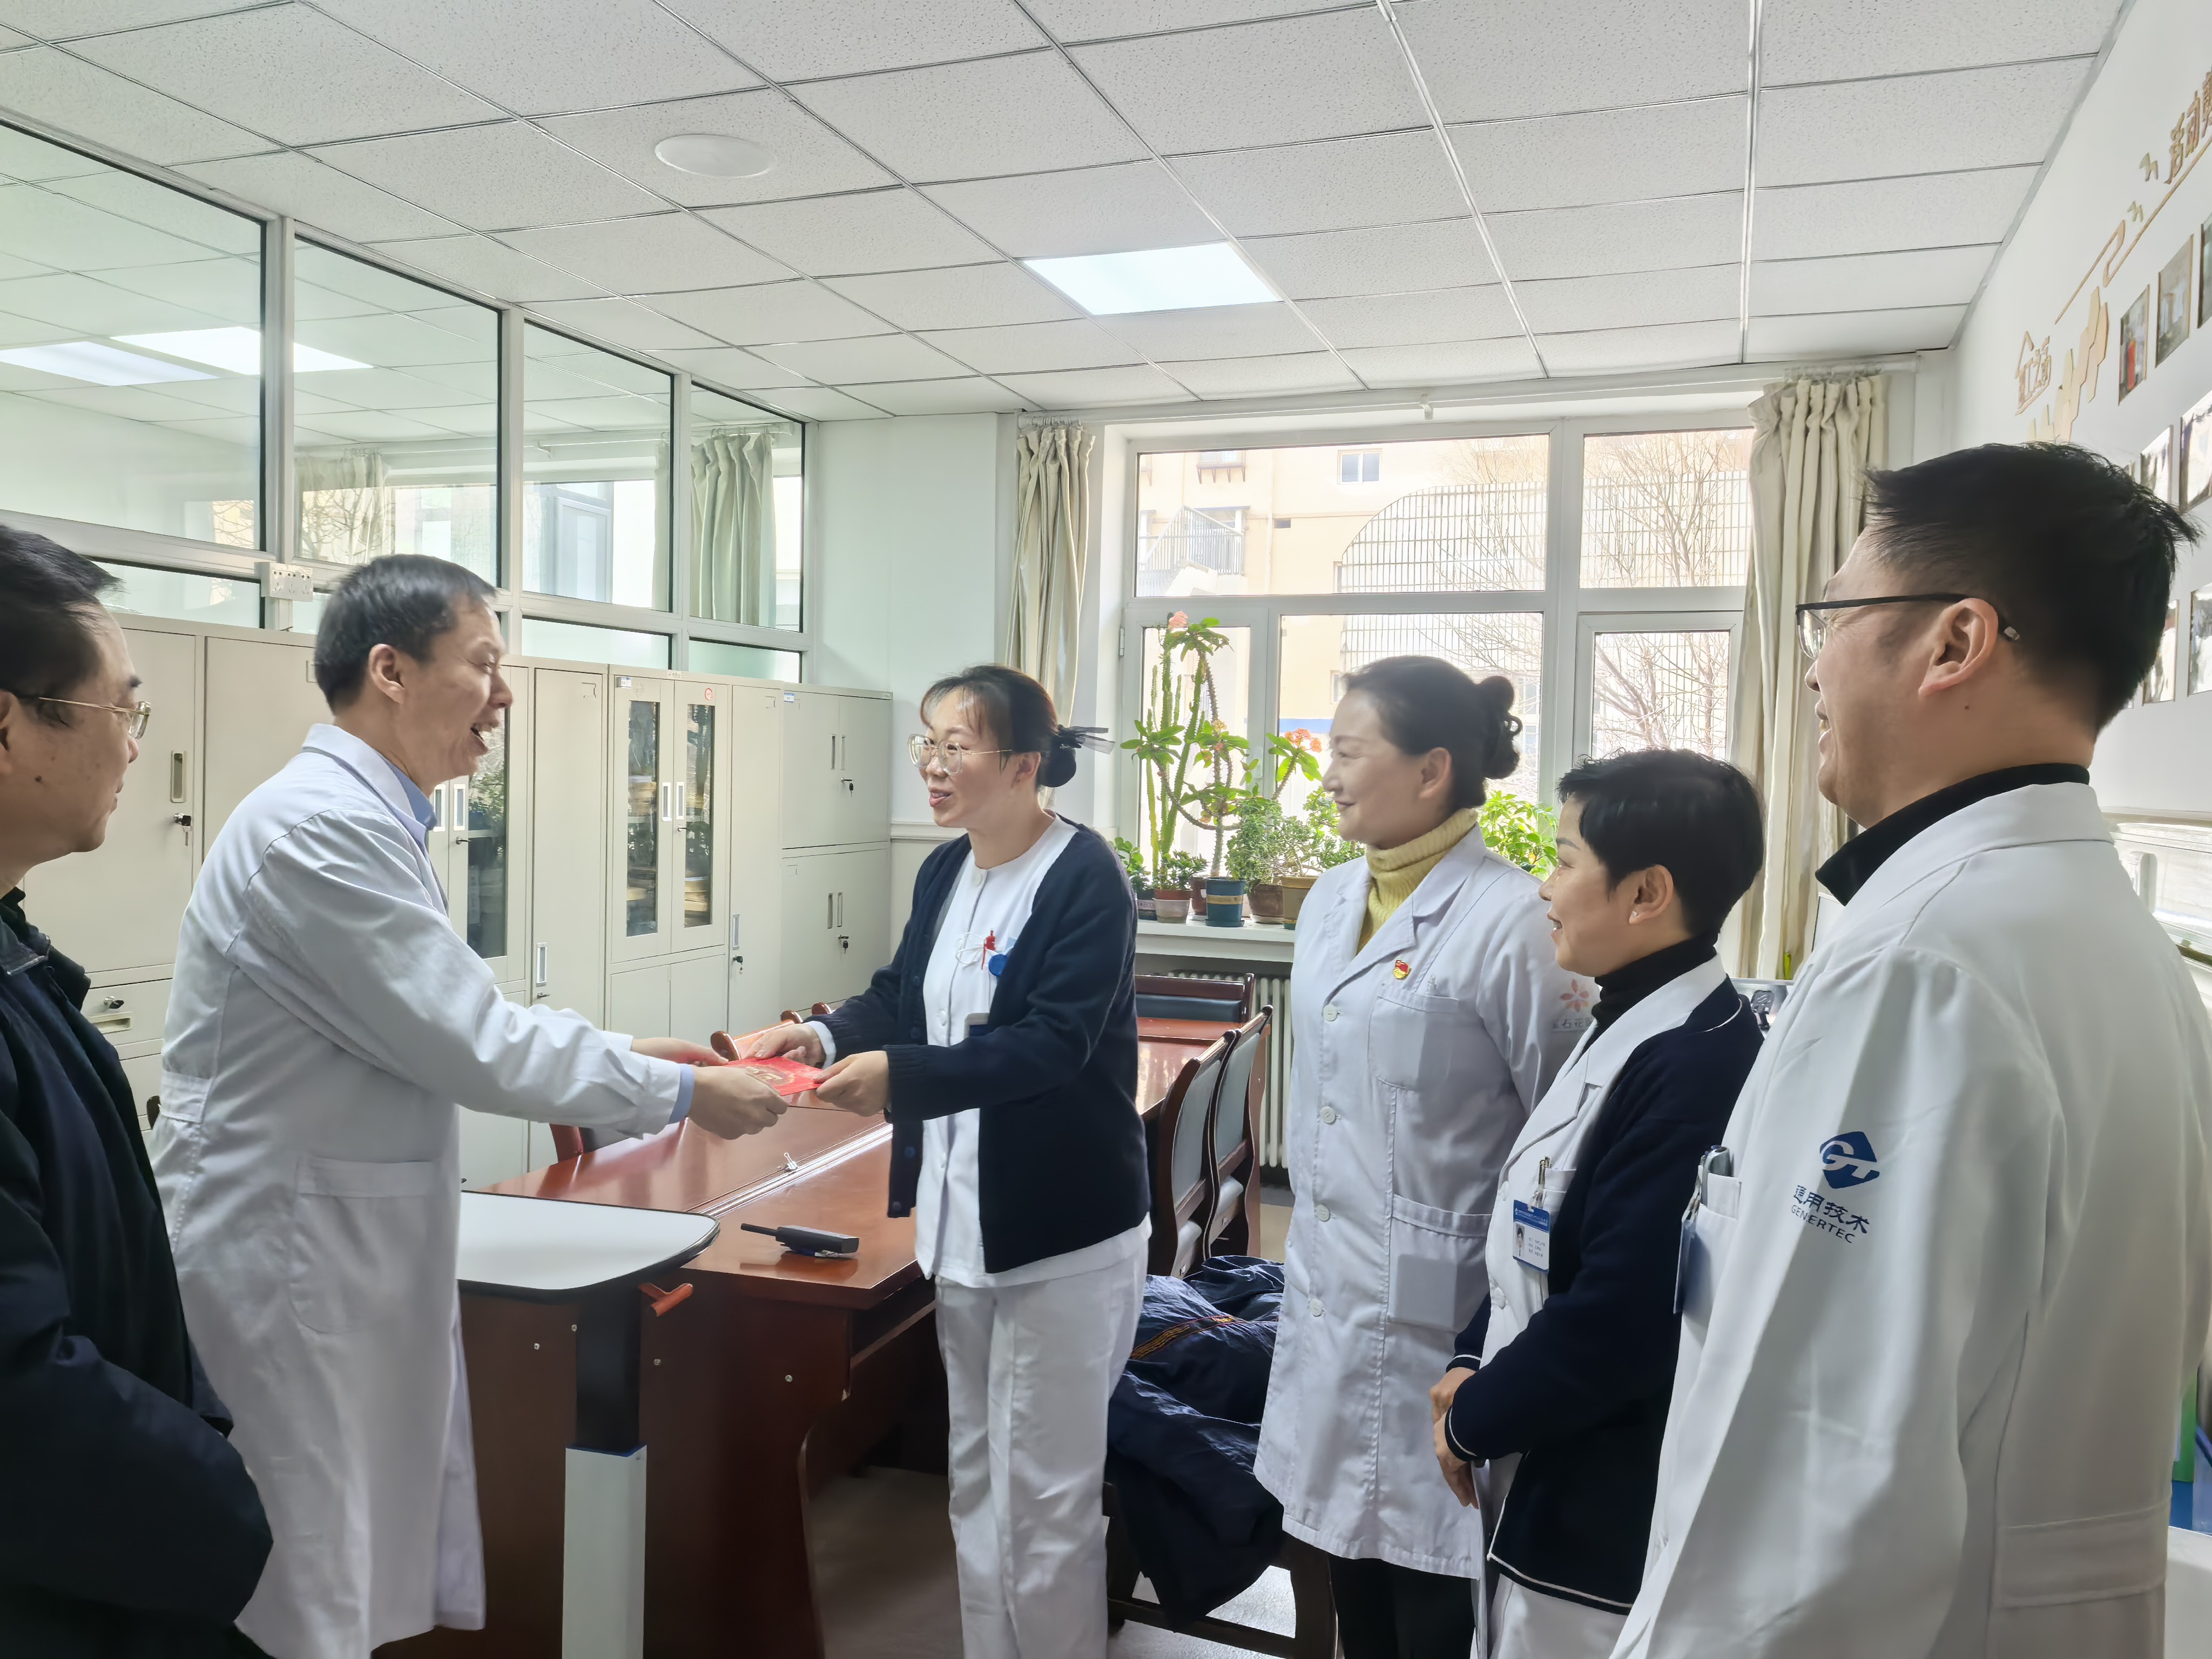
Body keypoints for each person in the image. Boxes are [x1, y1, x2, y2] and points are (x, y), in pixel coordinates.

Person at [1614, 442, 2212, 1659]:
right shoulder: (2120, 949)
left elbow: (1805, 1498)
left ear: (1954, 642)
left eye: (1832, 616)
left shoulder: (1921, 967)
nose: (1814, 665)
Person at [154, 555, 790, 1659]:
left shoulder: (367, 818)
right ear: (390, 670)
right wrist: (683, 1089)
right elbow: (472, 1041)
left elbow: (436, 1017)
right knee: (300, 1579)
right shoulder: (320, 829)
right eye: (485, 664)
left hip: (330, 1253)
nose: (505, 697)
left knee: (336, 1565)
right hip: (284, 1262)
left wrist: (626, 1052)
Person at [741, 665, 1146, 1659]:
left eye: (953, 747)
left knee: (1045, 1498)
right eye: (926, 744)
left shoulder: (1085, 878)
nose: (929, 765)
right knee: (975, 1478)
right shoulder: (945, 870)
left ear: (1023, 765)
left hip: (1060, 1235)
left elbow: (1051, 1046)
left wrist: (903, 1075)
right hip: (961, 1224)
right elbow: (899, 994)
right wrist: (823, 1036)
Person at [1253, 657, 1590, 1659]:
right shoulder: (1328, 900)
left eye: (1348, 752)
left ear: (1433, 769)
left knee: (1437, 1590)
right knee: (1353, 1571)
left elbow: (1567, 1129)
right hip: (1331, 1289)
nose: (1328, 776)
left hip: (1450, 1308)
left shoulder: (1515, 920)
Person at [1426, 750, 1765, 1658]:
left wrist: (1473, 1418)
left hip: (1599, 1498)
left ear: (1646, 893)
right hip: (1542, 1445)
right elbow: (1539, 1222)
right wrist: (1472, 1356)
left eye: (1566, 860)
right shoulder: (1634, 1017)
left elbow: (1623, 1313)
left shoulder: (1696, 1064)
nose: (1545, 887)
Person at [0, 528, 272, 1656]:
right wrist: (212, 1501)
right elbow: (20, 1390)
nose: (135, 746)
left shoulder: (20, 963)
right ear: (7, 728)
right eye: (122, 710)